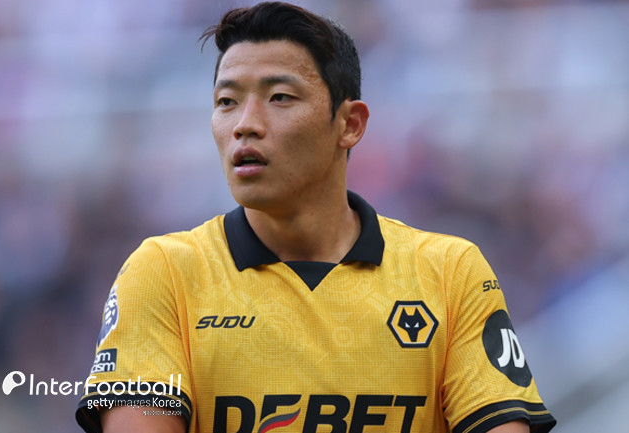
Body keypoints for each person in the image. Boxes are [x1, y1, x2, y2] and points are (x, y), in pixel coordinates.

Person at [75, 2, 556, 433]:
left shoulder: (449, 273)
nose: (244, 124)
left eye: (280, 97)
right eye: (227, 102)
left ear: (350, 124)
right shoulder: (163, 273)